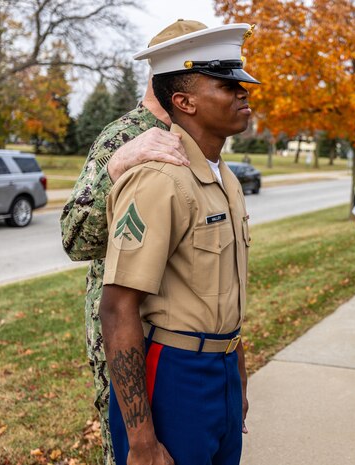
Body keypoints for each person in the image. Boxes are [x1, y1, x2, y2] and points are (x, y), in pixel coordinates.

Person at [99, 22, 259, 465]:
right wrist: (142, 442)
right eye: (227, 85)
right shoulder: (159, 179)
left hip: (222, 369)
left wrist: (237, 381)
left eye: (243, 82)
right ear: (184, 102)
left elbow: (224, 290)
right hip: (174, 376)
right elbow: (117, 307)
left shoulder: (223, 177)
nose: (244, 92)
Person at [59, 20, 209, 464]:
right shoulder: (124, 136)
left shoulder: (197, 138)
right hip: (128, 320)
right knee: (132, 445)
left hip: (180, 328)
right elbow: (73, 238)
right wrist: (115, 168)